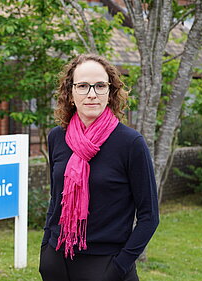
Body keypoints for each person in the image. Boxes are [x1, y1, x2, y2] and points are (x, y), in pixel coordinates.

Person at [39, 54, 159, 281]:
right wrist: (46, 248)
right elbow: (56, 199)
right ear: (70, 93)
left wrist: (118, 267)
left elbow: (149, 216)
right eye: (83, 86)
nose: (92, 93)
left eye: (100, 86)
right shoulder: (57, 137)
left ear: (110, 92)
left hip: (106, 264)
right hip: (57, 260)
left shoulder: (130, 143)